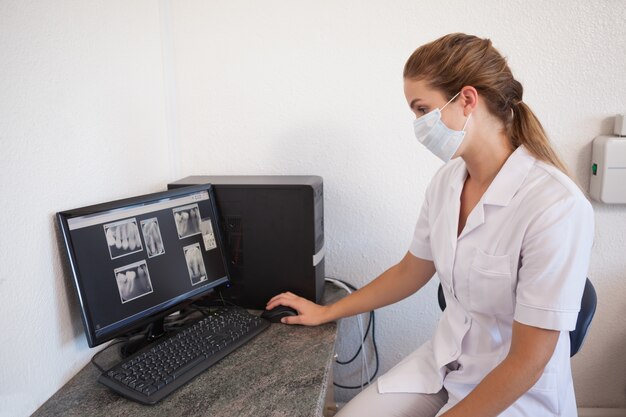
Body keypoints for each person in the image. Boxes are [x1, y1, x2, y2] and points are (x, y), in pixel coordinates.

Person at [266, 33, 594, 417]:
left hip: (515, 392)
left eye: (423, 109)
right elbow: (411, 270)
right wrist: (326, 312)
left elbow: (530, 362)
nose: (419, 124)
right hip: (445, 363)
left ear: (467, 100)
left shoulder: (555, 204)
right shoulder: (447, 182)